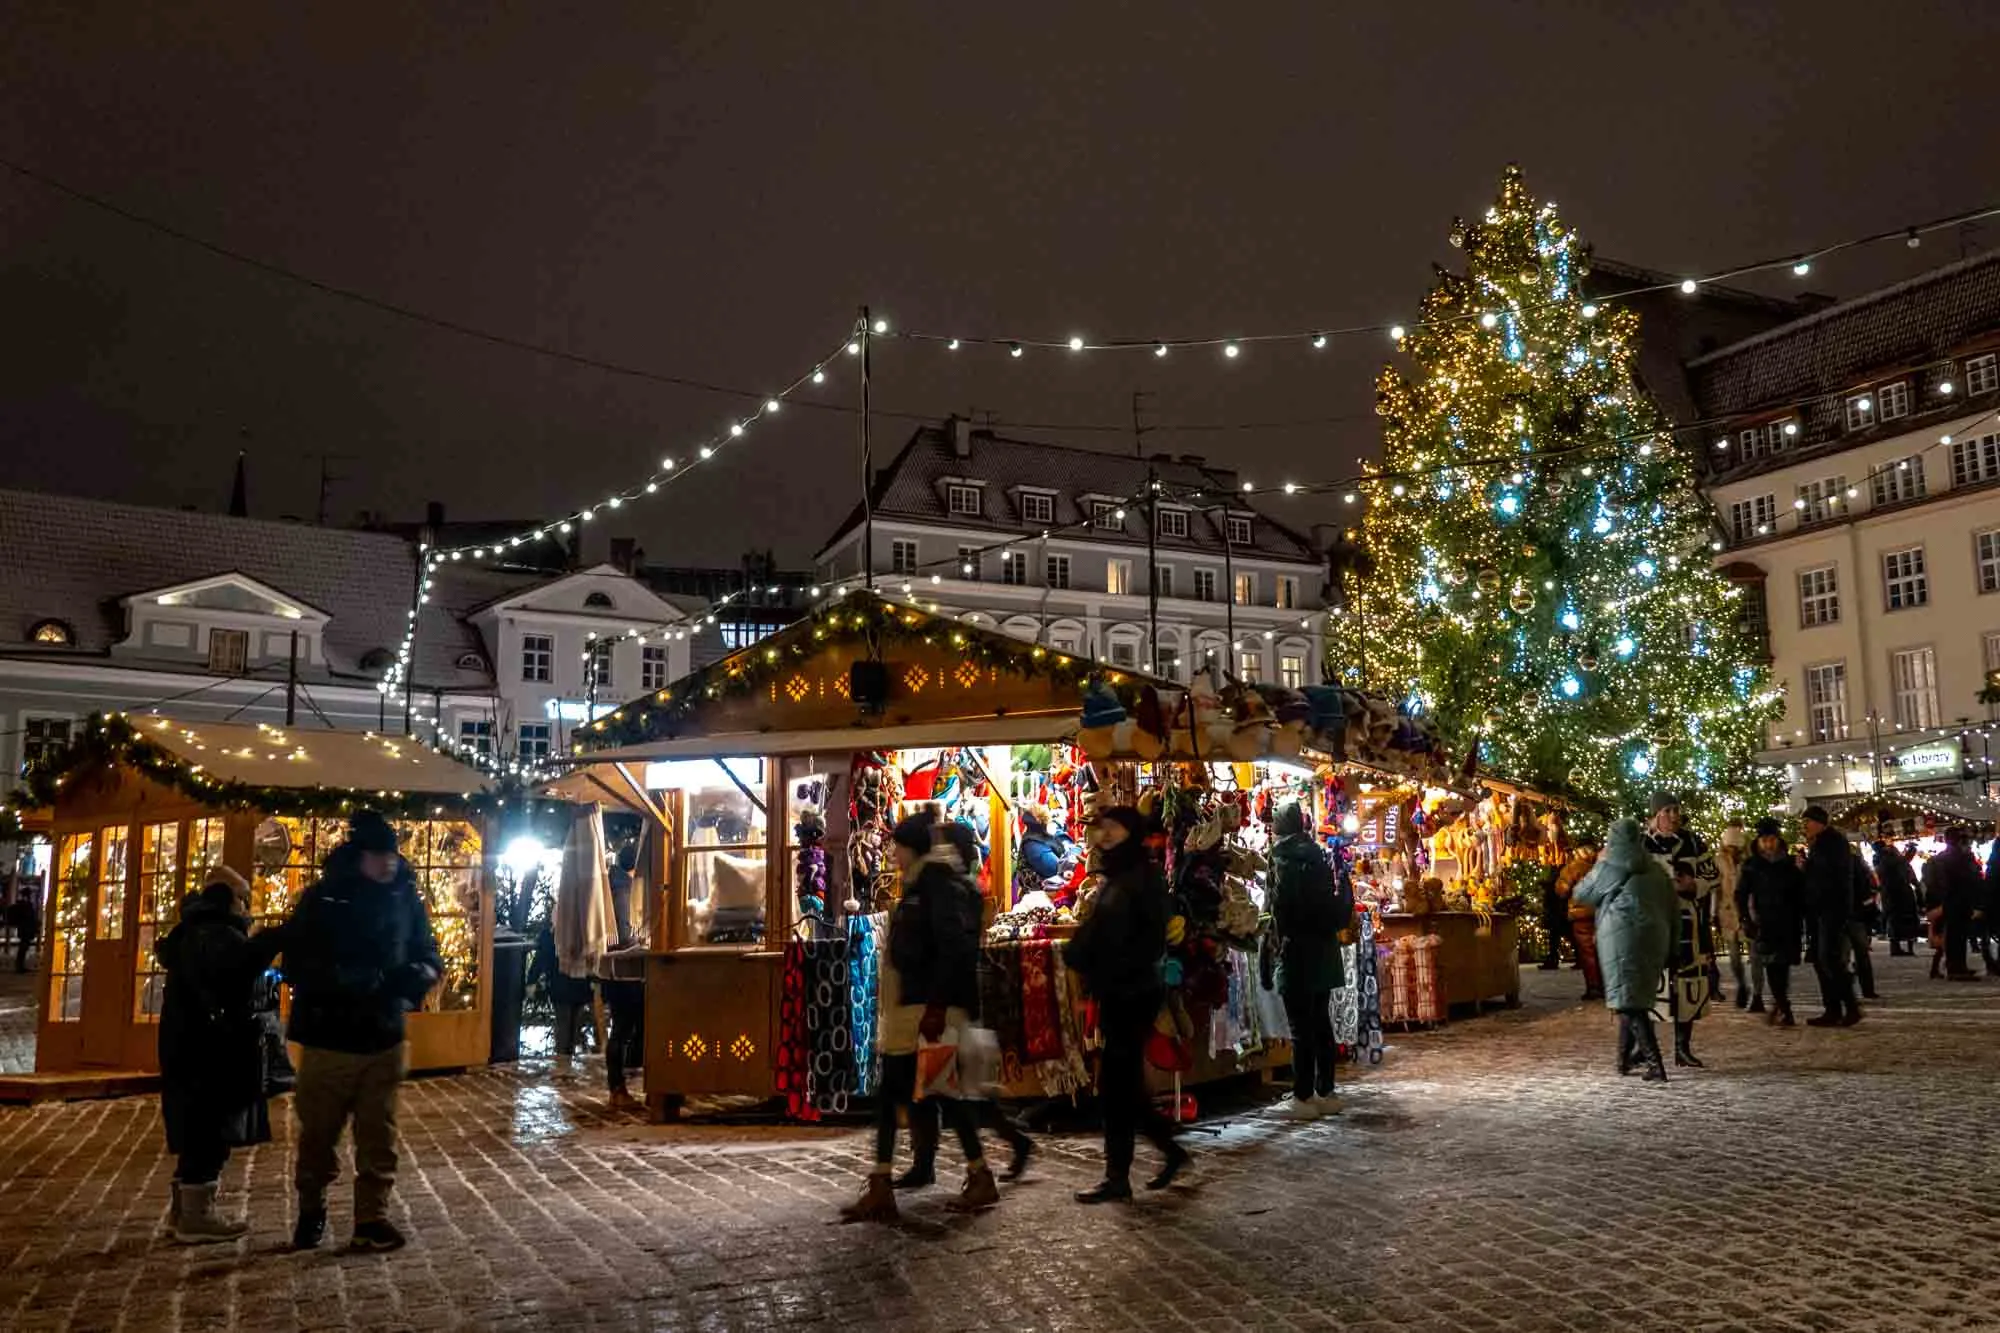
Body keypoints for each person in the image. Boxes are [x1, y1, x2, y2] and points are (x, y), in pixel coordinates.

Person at [279, 811, 441, 1252]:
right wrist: (350, 980)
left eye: (392, 854)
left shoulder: (405, 898)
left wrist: (419, 974)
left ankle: (372, 1218)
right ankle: (311, 1209)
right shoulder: (325, 899)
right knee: (319, 1134)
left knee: (379, 1136)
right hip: (330, 1037)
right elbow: (296, 963)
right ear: (360, 857)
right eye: (378, 855)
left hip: (384, 1034)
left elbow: (427, 950)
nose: (388, 863)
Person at [841, 810, 995, 1222]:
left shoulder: (933, 886)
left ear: (911, 848)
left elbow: (952, 948)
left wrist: (938, 1006)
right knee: (933, 1094)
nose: (892, 855)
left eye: (897, 847)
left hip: (924, 1012)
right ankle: (972, 1174)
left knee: (901, 1096)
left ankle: (885, 1184)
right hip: (916, 1009)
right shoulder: (921, 885)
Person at [1063, 806, 1190, 1204]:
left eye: (1112, 827)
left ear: (1129, 832)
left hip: (1132, 991)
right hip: (1119, 989)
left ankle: (1120, 1175)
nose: (1104, 835)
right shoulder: (1118, 876)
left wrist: (1094, 953)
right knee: (1123, 1086)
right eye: (1102, 828)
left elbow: (1142, 935)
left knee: (1117, 1086)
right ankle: (1165, 1155)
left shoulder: (1141, 877)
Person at [899, 820, 1035, 1189]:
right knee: (946, 1090)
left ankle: (961, 1165)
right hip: (954, 999)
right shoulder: (961, 887)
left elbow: (951, 947)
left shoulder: (949, 888)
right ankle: (1007, 1146)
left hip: (947, 1002)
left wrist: (938, 1003)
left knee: (946, 1090)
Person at [157, 865, 286, 1242]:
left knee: (200, 1128)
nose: (247, 908)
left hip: (191, 1047)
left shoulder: (195, 932)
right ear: (231, 899)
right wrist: (273, 940)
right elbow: (237, 971)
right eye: (243, 899)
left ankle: (184, 1211)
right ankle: (196, 1216)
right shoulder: (216, 936)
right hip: (209, 1050)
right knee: (209, 1131)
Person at [1262, 800, 1350, 1118]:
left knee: (1300, 1028)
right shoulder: (1318, 856)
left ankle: (1302, 1097)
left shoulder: (1281, 858)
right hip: (1324, 950)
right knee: (1321, 1023)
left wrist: (1271, 944)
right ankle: (1326, 1091)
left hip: (1296, 951)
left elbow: (1278, 907)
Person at [1573, 819, 1676, 1082]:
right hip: (1655, 940)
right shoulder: (1656, 869)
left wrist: (1599, 863)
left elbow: (1581, 894)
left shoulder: (1610, 866)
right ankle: (1622, 1061)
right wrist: (1672, 945)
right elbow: (1673, 909)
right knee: (1631, 1000)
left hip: (1621, 939)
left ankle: (1655, 1064)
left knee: (1629, 1004)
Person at [1641, 793, 1717, 1067]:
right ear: (1656, 814)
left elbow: (1712, 874)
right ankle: (1644, 1047)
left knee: (1687, 987)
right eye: (1669, 810)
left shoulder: (1694, 842)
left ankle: (1682, 1048)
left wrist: (1693, 885)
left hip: (1688, 925)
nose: (1675, 816)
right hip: (1650, 926)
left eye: (1677, 810)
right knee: (1650, 987)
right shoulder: (1639, 844)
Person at [1736, 819, 1806, 1027]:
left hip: (1787, 922)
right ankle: (1783, 1006)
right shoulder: (1752, 866)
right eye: (1764, 840)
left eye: (1772, 840)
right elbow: (1741, 893)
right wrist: (1745, 918)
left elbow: (1800, 892)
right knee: (1772, 966)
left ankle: (1782, 1006)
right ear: (1758, 841)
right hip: (1764, 923)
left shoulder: (1789, 864)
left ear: (1778, 840)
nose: (1768, 844)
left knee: (1781, 967)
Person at [1799, 805, 1862, 1026]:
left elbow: (1827, 876)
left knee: (1830, 960)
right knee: (1820, 959)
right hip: (1821, 909)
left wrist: (1805, 867)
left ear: (1819, 823)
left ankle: (1849, 1007)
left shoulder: (1831, 843)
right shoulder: (1821, 843)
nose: (1804, 827)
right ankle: (1833, 1008)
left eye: (1807, 822)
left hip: (1831, 909)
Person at [601, 847, 647, 1108]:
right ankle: (617, 1089)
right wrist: (641, 940)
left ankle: (617, 1087)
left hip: (616, 970)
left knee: (620, 1028)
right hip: (626, 970)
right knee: (623, 1028)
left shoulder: (614, 884)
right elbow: (625, 932)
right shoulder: (624, 889)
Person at [1923, 826, 1984, 982]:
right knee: (1957, 935)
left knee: (1956, 935)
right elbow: (1970, 878)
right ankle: (1955, 968)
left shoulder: (1941, 858)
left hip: (1952, 900)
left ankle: (1958, 966)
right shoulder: (1959, 857)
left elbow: (1933, 882)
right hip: (1958, 900)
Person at [1716, 822, 1763, 1012]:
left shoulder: (1750, 862)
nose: (1732, 851)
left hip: (1749, 911)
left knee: (1755, 955)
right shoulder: (1718, 861)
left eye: (1735, 847)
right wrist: (1714, 912)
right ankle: (1742, 985)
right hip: (1728, 912)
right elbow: (1716, 888)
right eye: (1729, 847)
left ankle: (1758, 995)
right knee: (1734, 957)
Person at [1556, 840, 1604, 1001]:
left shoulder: (1573, 868)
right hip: (1601, 914)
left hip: (1581, 916)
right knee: (1602, 951)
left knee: (1587, 953)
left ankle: (1594, 987)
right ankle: (1606, 986)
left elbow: (1562, 890)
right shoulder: (1601, 867)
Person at [1874, 839, 1922, 957]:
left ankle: (1895, 947)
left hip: (1889, 894)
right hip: (1903, 894)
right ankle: (1908, 948)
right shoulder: (1900, 862)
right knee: (1908, 920)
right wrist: (1918, 889)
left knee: (1894, 920)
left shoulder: (1880, 862)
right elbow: (1911, 876)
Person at [1847, 846, 1881, 1002]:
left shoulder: (1835, 863)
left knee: (1843, 955)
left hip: (1847, 913)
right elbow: (1867, 888)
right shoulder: (1857, 863)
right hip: (1856, 913)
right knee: (1861, 953)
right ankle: (1867, 989)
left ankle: (1847, 989)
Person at [8, 879, 40, 973]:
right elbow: (29, 917)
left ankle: (20, 966)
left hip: (24, 928)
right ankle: (19, 966)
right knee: (23, 947)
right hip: (26, 928)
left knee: (23, 947)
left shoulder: (23, 904)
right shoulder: (26, 905)